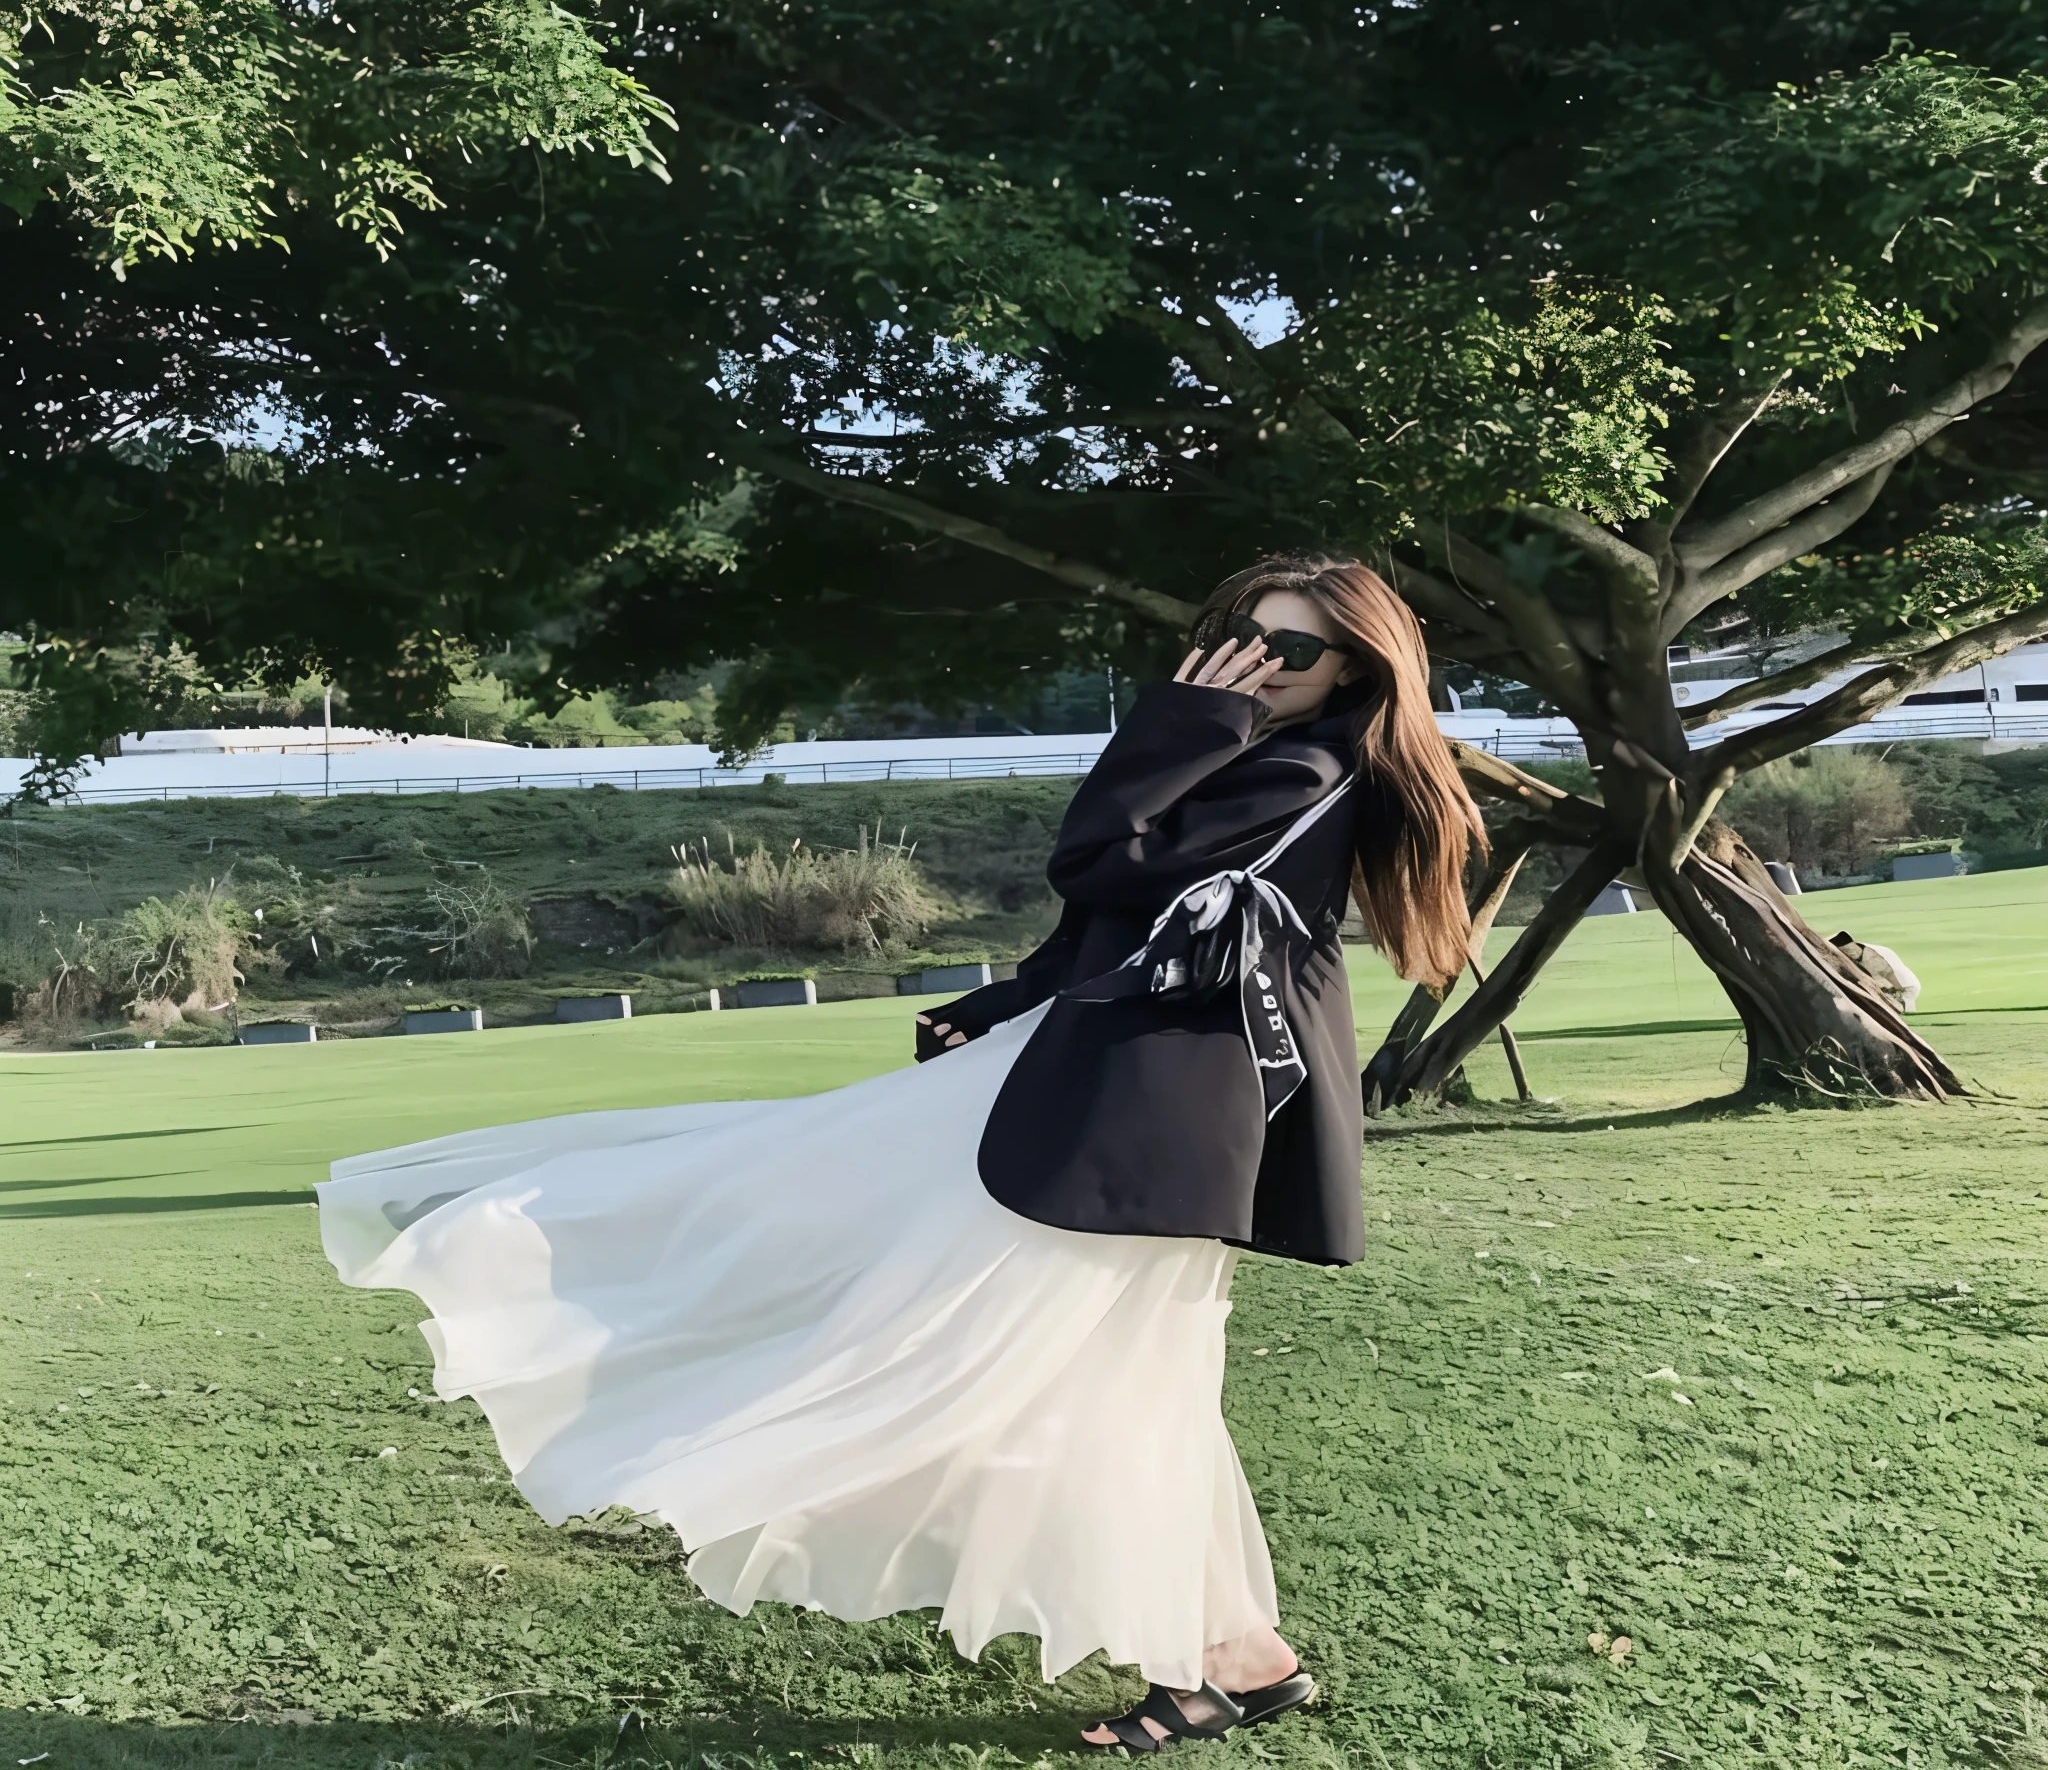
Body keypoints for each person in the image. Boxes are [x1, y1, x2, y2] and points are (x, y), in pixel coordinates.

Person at [315, 551, 1480, 1754]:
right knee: (1080, 1366)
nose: (1251, 661)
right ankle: (1235, 1657)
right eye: (1241, 633)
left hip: (1145, 1130)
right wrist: (997, 1002)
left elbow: (1093, 856)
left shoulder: (1299, 765)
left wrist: (1188, 714)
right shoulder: (1257, 752)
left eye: (1286, 649)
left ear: (1354, 666)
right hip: (1102, 1104)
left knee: (1080, 1380)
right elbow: (1112, 919)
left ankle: (1227, 1657)